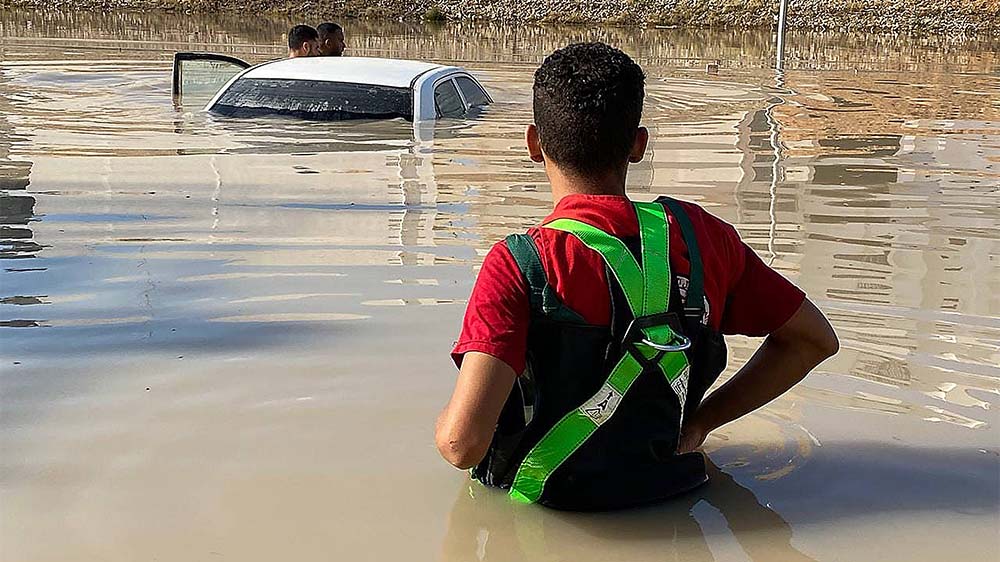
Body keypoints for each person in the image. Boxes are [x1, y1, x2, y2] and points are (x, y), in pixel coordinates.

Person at [434, 42, 839, 510]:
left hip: (550, 511)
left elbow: (462, 445)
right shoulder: (704, 238)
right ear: (639, 145)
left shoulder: (519, 264)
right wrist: (703, 422)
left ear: (533, 144)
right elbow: (813, 340)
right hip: (675, 496)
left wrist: (443, 422)